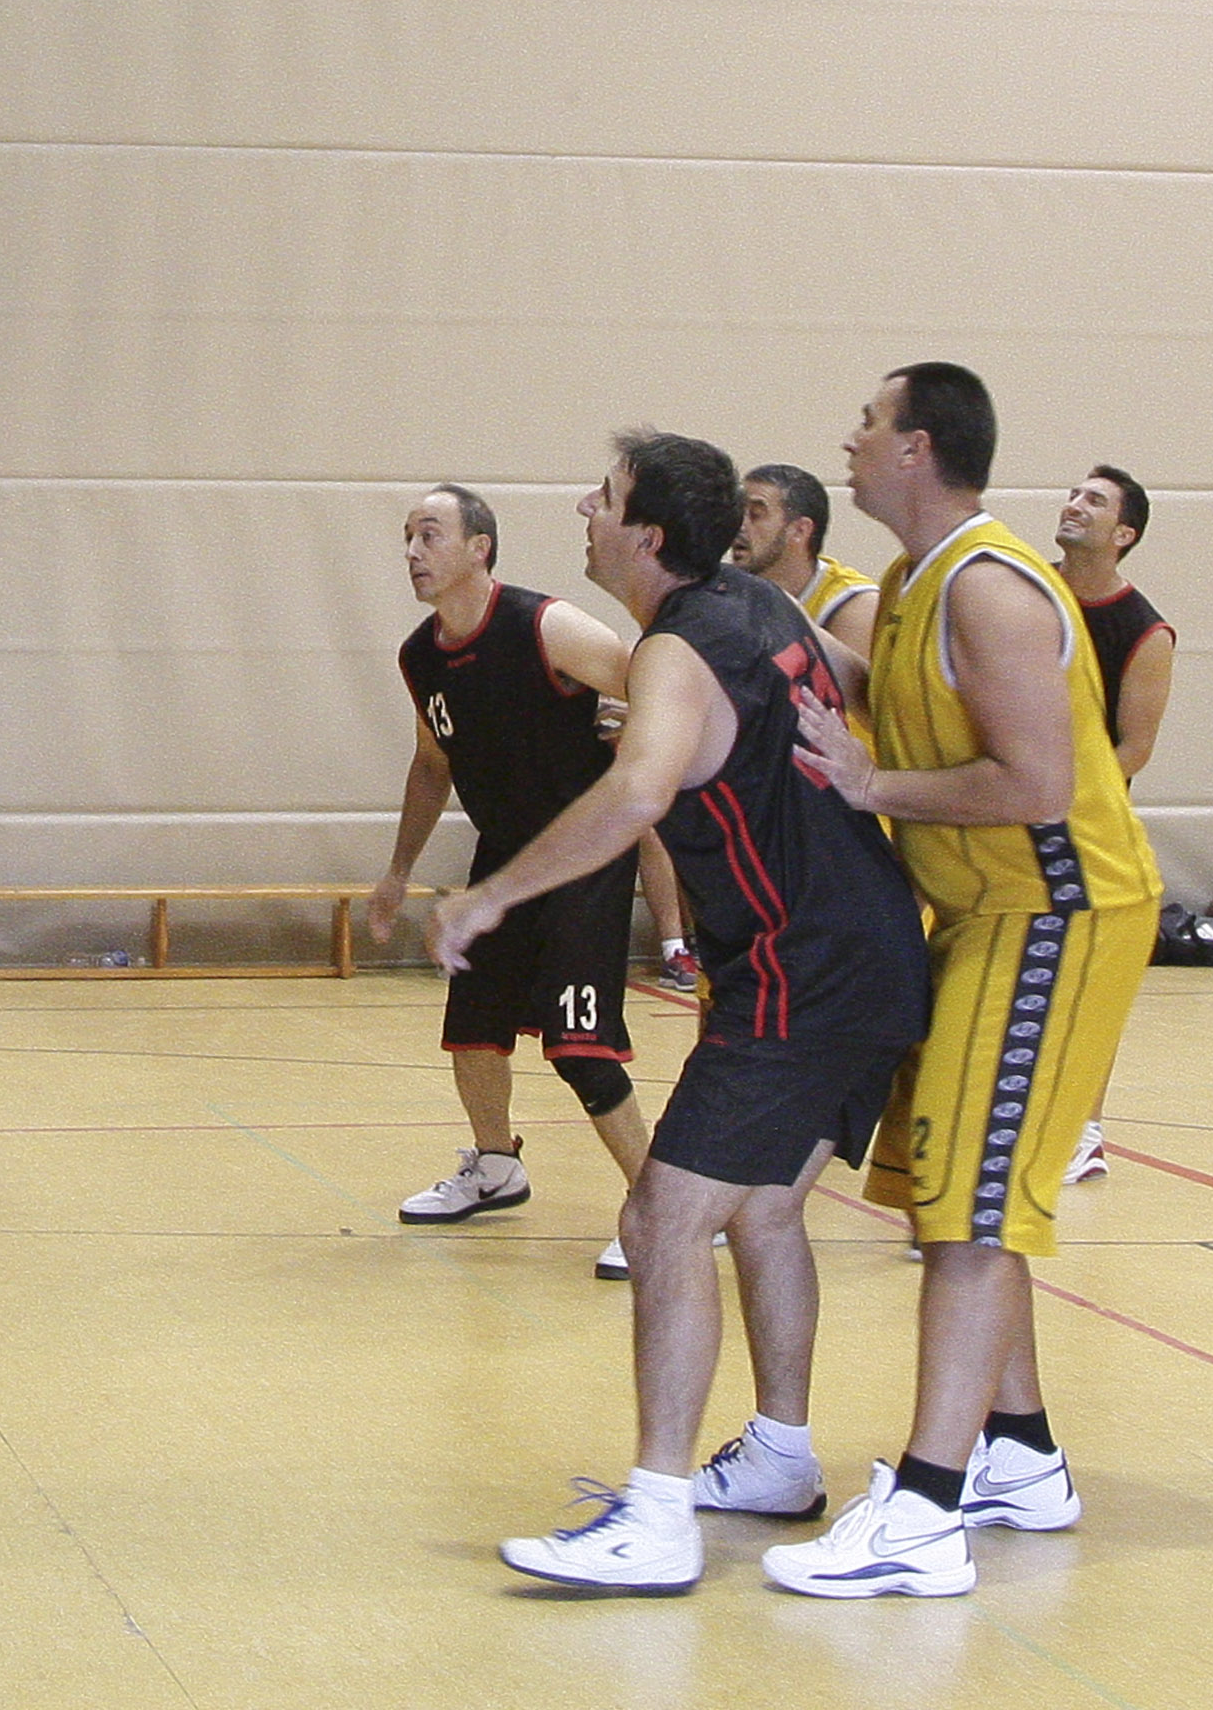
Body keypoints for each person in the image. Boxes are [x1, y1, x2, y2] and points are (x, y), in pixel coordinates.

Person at [445, 433, 927, 1594]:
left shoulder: (674, 648)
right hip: (864, 955)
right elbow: (867, 684)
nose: (585, 506)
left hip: (803, 976)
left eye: (605, 497)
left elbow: (636, 793)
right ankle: (780, 1457)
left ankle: (656, 1518)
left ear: (648, 535)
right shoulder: (762, 604)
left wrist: (493, 895)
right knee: (764, 1212)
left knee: (663, 1221)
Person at [766, 363, 1162, 1600]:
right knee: (949, 1189)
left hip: (1057, 913)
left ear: (918, 448)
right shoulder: (908, 583)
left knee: (972, 1217)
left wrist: (869, 784)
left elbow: (1037, 784)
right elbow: (893, 695)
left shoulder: (990, 587)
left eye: (869, 421)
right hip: (986, 914)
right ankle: (1020, 1455)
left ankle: (928, 1513)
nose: (850, 437)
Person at [365, 485, 651, 1279]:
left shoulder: (548, 626)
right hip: (502, 857)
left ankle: (661, 1205)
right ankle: (496, 1165)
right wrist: (398, 871)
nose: (412, 552)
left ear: (479, 548)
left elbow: (662, 685)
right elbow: (432, 764)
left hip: (585, 853)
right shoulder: (421, 657)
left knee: (579, 1043)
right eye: (407, 537)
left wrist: (640, 720)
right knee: (474, 1022)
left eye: (430, 535)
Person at [1051, 463, 1176, 1183]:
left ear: (1123, 534)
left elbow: (1136, 747)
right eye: (1074, 494)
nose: (1075, 504)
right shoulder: (1029, 595)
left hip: (1087, 830)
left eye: (1094, 501)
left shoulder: (1144, 631)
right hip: (999, 817)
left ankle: (1085, 1129)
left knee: (1085, 986)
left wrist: (1064, 794)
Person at [737, 463, 879, 662]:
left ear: (800, 530)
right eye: (737, 513)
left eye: (756, 515)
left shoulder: (853, 603)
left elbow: (846, 683)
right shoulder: (723, 589)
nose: (739, 525)